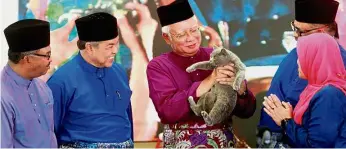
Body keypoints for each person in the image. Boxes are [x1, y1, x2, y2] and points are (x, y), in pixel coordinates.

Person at [146, 0, 256, 148]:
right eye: (181, 35)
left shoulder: (216, 55)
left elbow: (247, 112)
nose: (190, 38)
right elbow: (167, 111)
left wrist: (242, 91)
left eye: (194, 30)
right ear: (167, 38)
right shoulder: (158, 66)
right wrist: (210, 80)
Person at [257, 0, 346, 147]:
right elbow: (271, 106)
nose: (295, 35)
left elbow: (321, 143)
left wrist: (286, 121)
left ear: (321, 33)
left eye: (301, 31)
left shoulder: (333, 87)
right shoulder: (293, 56)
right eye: (294, 27)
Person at [47, 12, 134, 148]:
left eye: (117, 44)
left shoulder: (119, 72)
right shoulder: (61, 81)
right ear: (89, 47)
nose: (115, 50)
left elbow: (127, 118)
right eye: (109, 46)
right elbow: (50, 131)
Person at [1, 19, 57, 148]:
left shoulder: (43, 87)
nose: (51, 60)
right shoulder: (3, 97)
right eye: (47, 55)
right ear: (27, 59)